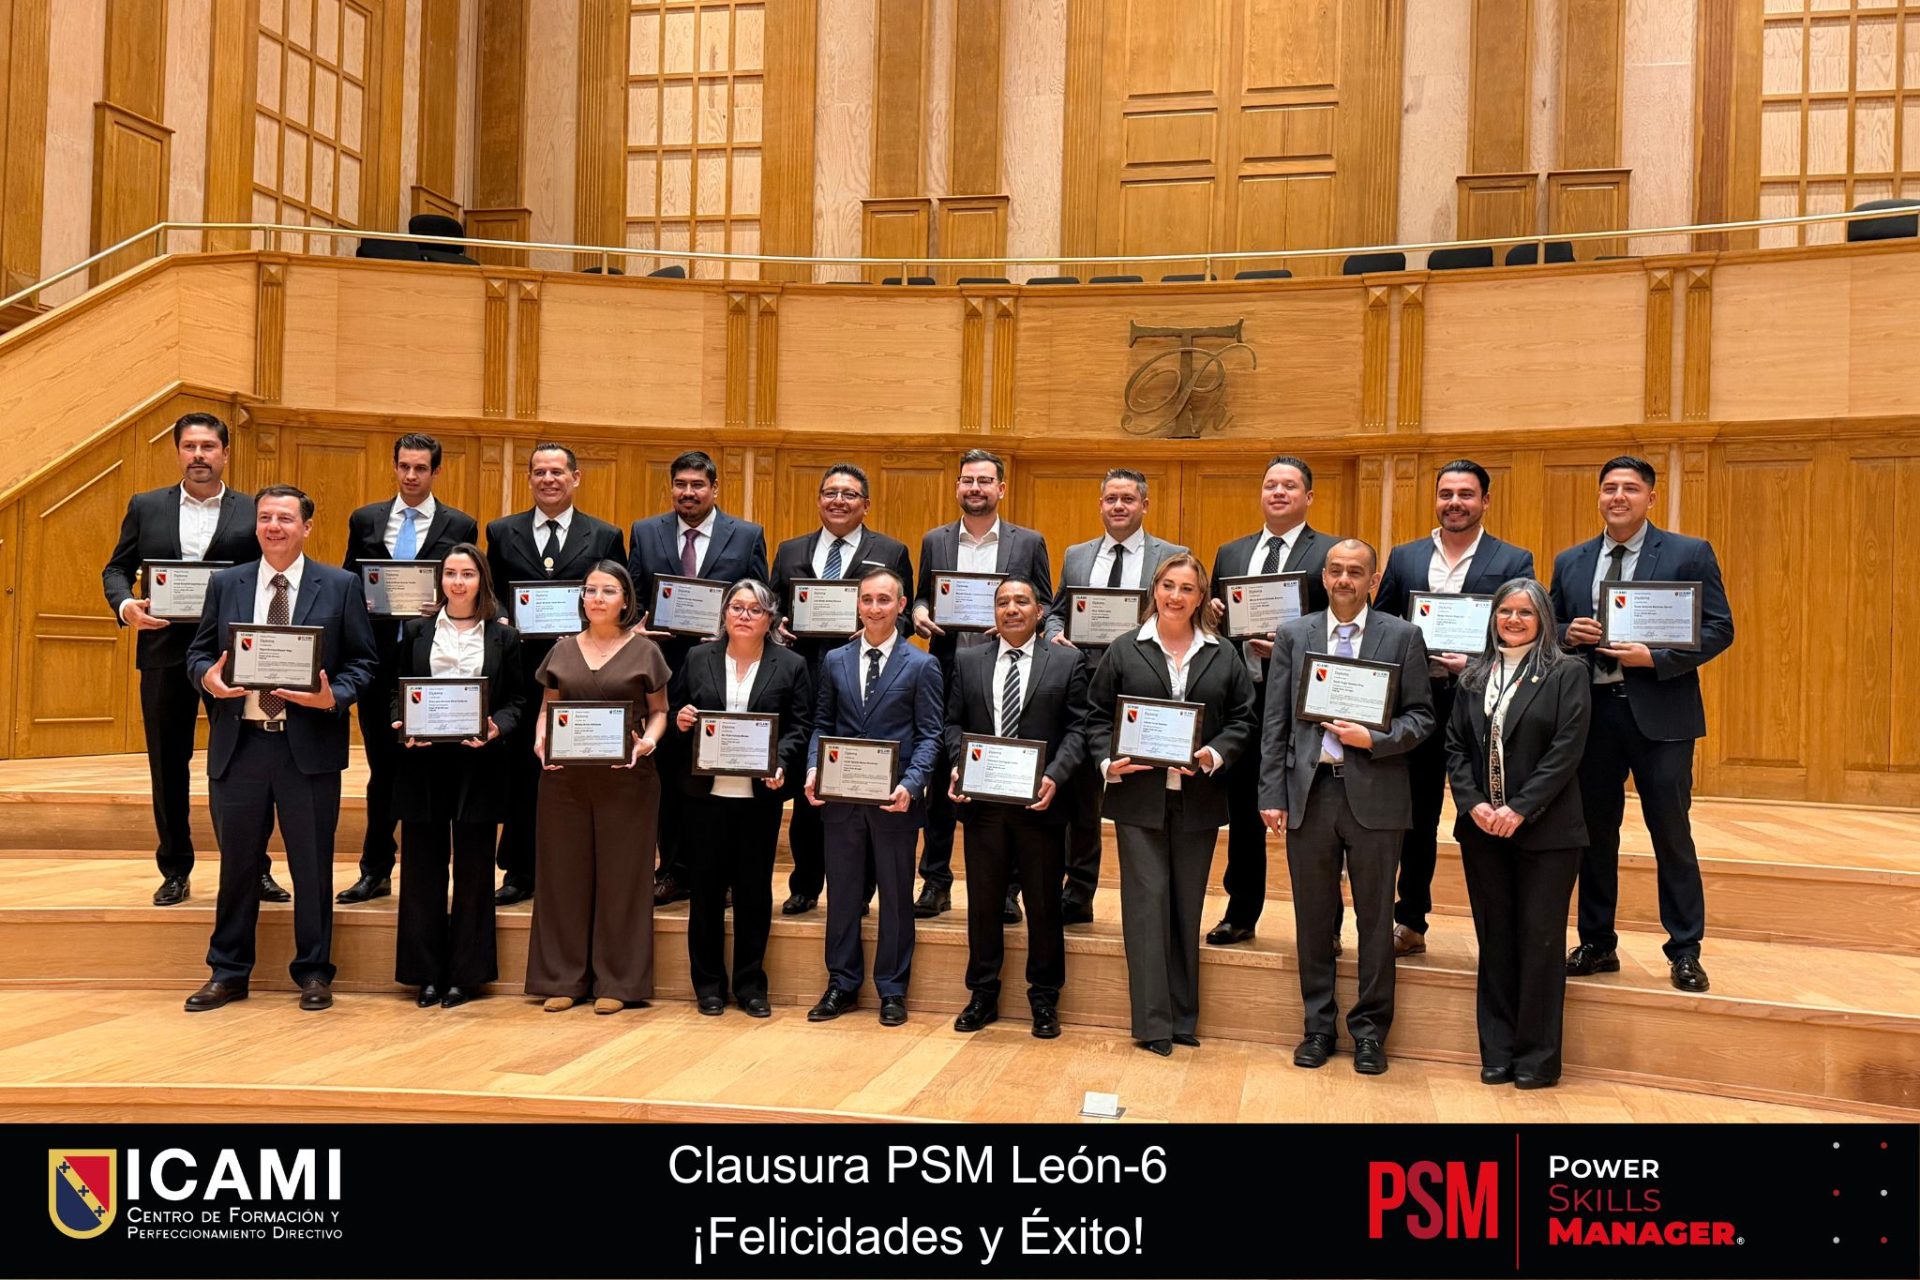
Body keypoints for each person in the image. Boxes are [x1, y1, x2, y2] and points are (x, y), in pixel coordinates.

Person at [182, 485, 378, 1012]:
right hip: (240, 745)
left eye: (286, 518)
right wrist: (208, 680)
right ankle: (228, 972)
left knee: (311, 866)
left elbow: (364, 662)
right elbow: (197, 653)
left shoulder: (339, 585)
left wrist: (332, 696)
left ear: (306, 527)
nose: (274, 526)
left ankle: (313, 971)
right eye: (266, 517)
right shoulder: (228, 583)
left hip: (307, 750)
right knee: (237, 866)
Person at [1549, 455, 1734, 993]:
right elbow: (1549, 626)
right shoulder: (1572, 560)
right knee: (1593, 833)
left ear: (1651, 498)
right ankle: (1597, 942)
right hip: (1591, 715)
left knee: (1671, 833)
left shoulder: (1687, 553)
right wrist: (1567, 633)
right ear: (1599, 496)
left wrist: (1656, 658)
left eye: (1630, 488)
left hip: (1662, 715)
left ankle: (1685, 949)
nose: (1618, 497)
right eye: (1609, 488)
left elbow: (1719, 628)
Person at [1260, 539, 1434, 1076]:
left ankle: (1370, 1032)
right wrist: (1271, 792)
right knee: (1313, 918)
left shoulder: (1402, 635)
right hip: (1309, 793)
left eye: (1355, 572)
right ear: (1324, 576)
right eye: (1335, 570)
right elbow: (1275, 720)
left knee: (1376, 920)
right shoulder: (1295, 634)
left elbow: (1422, 717)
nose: (1343, 580)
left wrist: (1374, 739)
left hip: (1376, 794)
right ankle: (1317, 1026)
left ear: (1373, 581)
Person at [1085, 552, 1256, 1057]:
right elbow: (1095, 717)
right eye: (1167, 586)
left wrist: (1213, 754)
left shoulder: (1223, 653)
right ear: (1154, 591)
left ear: (1201, 597)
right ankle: (1153, 1023)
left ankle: (1183, 1017)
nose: (1175, 596)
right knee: (1146, 907)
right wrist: (1108, 762)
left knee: (1186, 906)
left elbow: (1244, 719)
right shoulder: (1125, 649)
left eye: (1187, 588)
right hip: (1138, 799)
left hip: (1198, 799)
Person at [1372, 459, 1535, 955]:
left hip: (1481, 705)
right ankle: (1410, 921)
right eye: (1446, 494)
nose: (1455, 503)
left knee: (1482, 813)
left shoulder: (1513, 559)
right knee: (1416, 815)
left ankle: (1499, 930)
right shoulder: (1406, 557)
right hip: (1417, 703)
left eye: (1466, 494)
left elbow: (1525, 628)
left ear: (1485, 501)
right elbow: (1382, 623)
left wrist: (1478, 662)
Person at [101, 411, 263, 906]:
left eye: (208, 447)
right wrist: (126, 606)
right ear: (177, 452)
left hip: (232, 656)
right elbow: (117, 568)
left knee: (241, 764)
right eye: (190, 446)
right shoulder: (146, 506)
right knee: (167, 764)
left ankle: (253, 869)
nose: (198, 455)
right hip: (163, 652)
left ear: (226, 453)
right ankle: (174, 869)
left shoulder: (253, 509)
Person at [1445, 578, 1590, 1089]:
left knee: (1540, 942)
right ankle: (1498, 1051)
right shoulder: (1473, 676)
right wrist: (1474, 804)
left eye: (1525, 613)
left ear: (1543, 619)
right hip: (1483, 830)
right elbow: (1455, 746)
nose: (1513, 620)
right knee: (1495, 941)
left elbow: (1567, 749)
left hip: (1547, 833)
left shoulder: (1567, 672)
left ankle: (1537, 1058)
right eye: (1505, 611)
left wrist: (1521, 809)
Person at [338, 433, 480, 905]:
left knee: (431, 770)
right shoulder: (365, 519)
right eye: (404, 466)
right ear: (395, 466)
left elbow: (470, 586)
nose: (411, 475)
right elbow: (348, 580)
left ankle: (435, 875)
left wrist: (444, 601)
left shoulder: (460, 523)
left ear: (436, 471)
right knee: (382, 770)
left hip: (435, 665)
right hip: (377, 663)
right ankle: (375, 868)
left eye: (421, 468)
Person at [911, 449, 1052, 921]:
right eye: (968, 480)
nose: (975, 488)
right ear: (957, 486)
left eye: (985, 481)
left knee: (1004, 778)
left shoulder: (1028, 542)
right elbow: (922, 595)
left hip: (1006, 673)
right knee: (940, 778)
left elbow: (1047, 605)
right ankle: (935, 881)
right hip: (947, 673)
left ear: (1001, 489)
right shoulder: (935, 540)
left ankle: (1008, 889)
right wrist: (920, 611)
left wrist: (1017, 623)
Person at [767, 462, 912, 916]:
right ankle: (806, 883)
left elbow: (905, 617)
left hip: (864, 686)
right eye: (830, 493)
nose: (838, 501)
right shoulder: (790, 550)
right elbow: (772, 606)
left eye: (849, 494)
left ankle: (861, 890)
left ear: (866, 505)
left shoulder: (890, 550)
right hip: (802, 684)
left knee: (862, 787)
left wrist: (874, 629)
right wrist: (778, 622)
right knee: (809, 788)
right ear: (818, 500)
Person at [483, 443, 626, 906]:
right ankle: (520, 869)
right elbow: (492, 591)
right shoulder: (501, 531)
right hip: (520, 671)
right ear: (529, 478)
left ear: (575, 478)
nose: (548, 479)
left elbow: (618, 593)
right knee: (523, 770)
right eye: (539, 472)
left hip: (583, 672)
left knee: (576, 770)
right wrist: (501, 615)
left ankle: (574, 868)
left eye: (557, 472)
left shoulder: (604, 534)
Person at [626, 450, 770, 907]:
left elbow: (761, 598)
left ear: (714, 488)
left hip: (724, 672)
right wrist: (636, 627)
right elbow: (632, 596)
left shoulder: (746, 535)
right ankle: (672, 870)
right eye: (681, 484)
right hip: (663, 671)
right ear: (671, 487)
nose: (688, 493)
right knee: (670, 775)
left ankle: (721, 876)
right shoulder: (645, 532)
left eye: (697, 485)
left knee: (720, 775)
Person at [525, 562, 670, 1014]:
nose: (597, 598)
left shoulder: (645, 651)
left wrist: (648, 742)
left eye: (608, 591)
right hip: (564, 779)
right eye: (590, 590)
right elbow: (548, 709)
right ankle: (562, 977)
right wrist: (540, 738)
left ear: (625, 600)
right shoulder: (562, 649)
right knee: (562, 876)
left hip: (627, 778)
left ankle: (618, 981)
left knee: (623, 880)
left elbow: (660, 711)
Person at [948, 576, 1089, 1039]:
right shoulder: (968, 660)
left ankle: (1044, 998)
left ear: (1039, 611)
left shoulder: (1066, 661)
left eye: (1021, 601)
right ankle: (982, 993)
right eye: (1003, 602)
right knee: (984, 904)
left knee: (1044, 904)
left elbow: (1078, 729)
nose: (1011, 609)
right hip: (983, 804)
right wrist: (957, 765)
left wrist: (1055, 776)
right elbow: (952, 724)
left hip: (1039, 804)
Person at [1043, 467, 1185, 925]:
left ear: (1145, 505)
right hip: (1085, 685)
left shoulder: (1172, 555)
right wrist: (1054, 632)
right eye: (1111, 499)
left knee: (1142, 792)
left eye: (1128, 499)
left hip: (1143, 687)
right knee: (1083, 794)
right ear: (1101, 505)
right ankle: (1078, 892)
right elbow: (1057, 610)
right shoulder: (1077, 555)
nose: (1118, 506)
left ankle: (1152, 898)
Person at [804, 566, 944, 1027]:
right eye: (867, 599)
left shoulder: (921, 664)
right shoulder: (835, 660)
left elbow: (930, 736)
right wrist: (814, 768)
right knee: (842, 895)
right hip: (842, 799)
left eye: (884, 599)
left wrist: (912, 784)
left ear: (901, 605)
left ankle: (892, 989)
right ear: (857, 604)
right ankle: (841, 983)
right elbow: (822, 725)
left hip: (895, 800)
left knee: (897, 898)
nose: (874, 607)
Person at [667, 579, 813, 1018]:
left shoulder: (791, 665)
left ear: (770, 619)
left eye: (755, 609)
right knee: (705, 892)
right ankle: (708, 985)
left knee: (753, 893)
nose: (744, 616)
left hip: (759, 798)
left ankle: (750, 985)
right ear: (724, 613)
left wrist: (781, 762)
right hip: (704, 796)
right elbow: (676, 712)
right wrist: (682, 719)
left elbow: (799, 726)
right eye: (736, 607)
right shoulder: (698, 658)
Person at [1204, 455, 1333, 948]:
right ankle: (1240, 912)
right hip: (1244, 699)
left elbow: (1340, 627)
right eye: (1271, 485)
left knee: (1315, 814)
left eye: (1289, 486)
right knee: (1243, 810)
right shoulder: (1231, 553)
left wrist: (1291, 649)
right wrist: (1213, 613)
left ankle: (1324, 925)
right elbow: (1215, 627)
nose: (1278, 493)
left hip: (1303, 702)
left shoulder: (1329, 552)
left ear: (1308, 496)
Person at [390, 544, 525, 1008]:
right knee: (422, 869)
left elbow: (517, 701)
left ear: (481, 580)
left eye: (467, 574)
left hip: (479, 763)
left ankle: (466, 976)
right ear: (440, 580)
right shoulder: (417, 631)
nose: (458, 582)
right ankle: (425, 973)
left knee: (473, 870)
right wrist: (401, 723)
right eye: (450, 573)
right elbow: (396, 691)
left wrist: (497, 727)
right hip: (423, 762)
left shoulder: (504, 637)